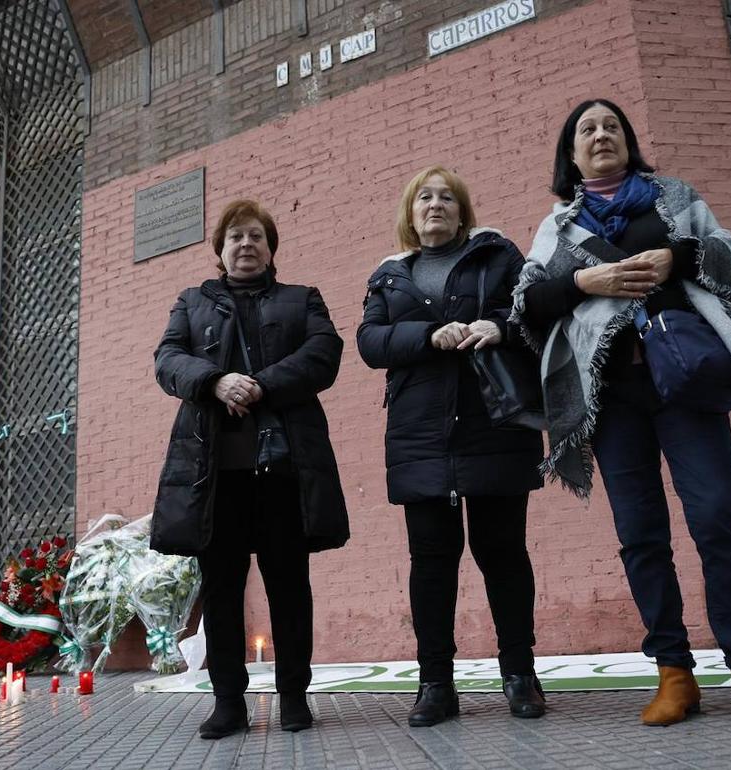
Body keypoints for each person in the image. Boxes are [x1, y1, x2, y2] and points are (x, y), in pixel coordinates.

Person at [512, 99, 731, 728]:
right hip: (611, 401)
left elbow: (727, 253)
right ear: (571, 154)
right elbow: (529, 303)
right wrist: (586, 284)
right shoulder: (558, 227)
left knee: (718, 517)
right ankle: (673, 672)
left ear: (628, 140)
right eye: (587, 129)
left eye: (611, 125)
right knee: (641, 535)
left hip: (683, 386)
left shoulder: (673, 198)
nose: (601, 134)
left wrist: (678, 258)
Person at [152, 198, 349, 740]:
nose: (246, 244)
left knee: (290, 585)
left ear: (270, 247)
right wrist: (215, 381)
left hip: (283, 469)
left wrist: (259, 384)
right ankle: (227, 702)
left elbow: (324, 353)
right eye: (235, 236)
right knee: (220, 589)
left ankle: (293, 697)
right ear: (220, 249)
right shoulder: (190, 302)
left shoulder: (301, 298)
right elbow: (167, 359)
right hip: (214, 474)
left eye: (256, 236)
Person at [357, 166, 546, 727]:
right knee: (432, 564)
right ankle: (436, 683)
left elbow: (532, 310)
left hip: (494, 423)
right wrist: (427, 335)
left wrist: (498, 328)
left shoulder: (497, 255)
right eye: (424, 198)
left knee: (503, 553)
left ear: (462, 211)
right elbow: (370, 342)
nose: (434, 205)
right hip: (421, 436)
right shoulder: (389, 276)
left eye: (445, 198)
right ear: (410, 214)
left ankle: (520, 675)